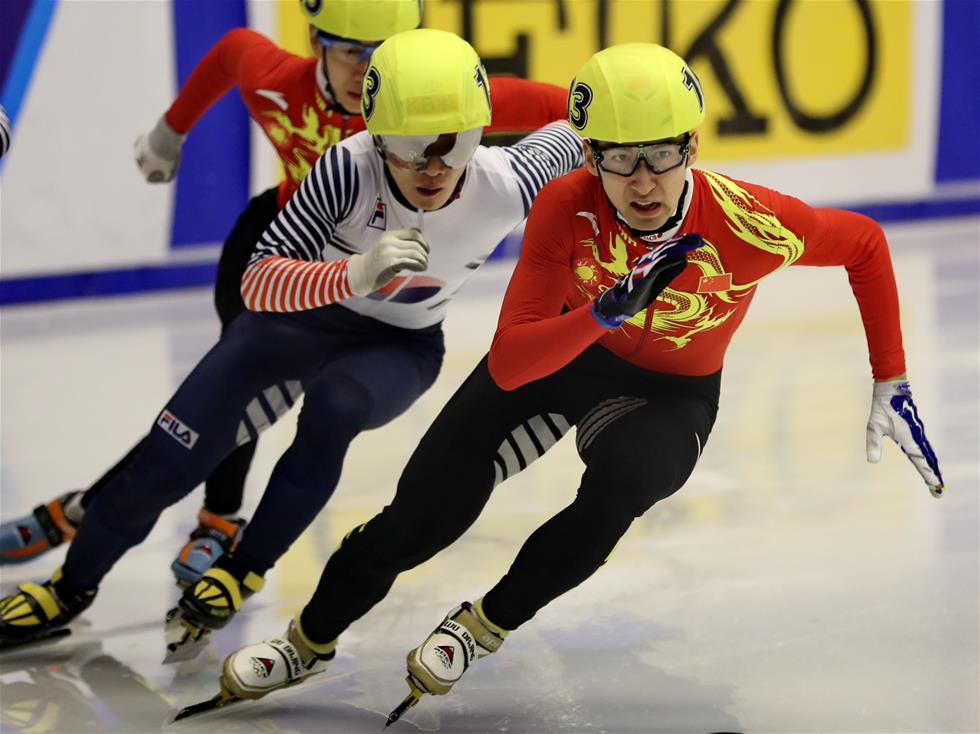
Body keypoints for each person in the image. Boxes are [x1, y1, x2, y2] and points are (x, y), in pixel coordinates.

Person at [208, 42, 944, 719]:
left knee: (626, 484)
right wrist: (601, 313)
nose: (643, 181)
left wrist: (892, 377)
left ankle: (484, 624)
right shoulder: (566, 204)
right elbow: (509, 363)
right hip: (561, 356)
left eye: (661, 155)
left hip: (669, 394)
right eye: (619, 161)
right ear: (587, 154)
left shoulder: (752, 223)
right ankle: (307, 642)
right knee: (421, 517)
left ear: (694, 145)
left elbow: (865, 246)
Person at [0, 28, 584, 658]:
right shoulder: (348, 167)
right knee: (168, 461)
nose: (435, 165)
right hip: (296, 323)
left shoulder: (510, 177)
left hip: (396, 348)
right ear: (375, 134)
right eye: (411, 147)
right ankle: (70, 587)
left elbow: (600, 129)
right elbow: (256, 281)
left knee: (334, 407)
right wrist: (352, 273)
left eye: (457, 142)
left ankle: (245, 564)